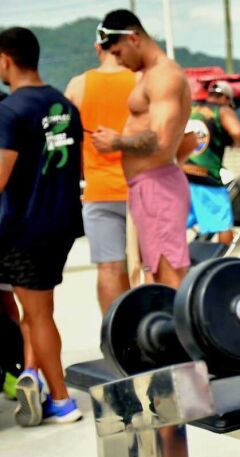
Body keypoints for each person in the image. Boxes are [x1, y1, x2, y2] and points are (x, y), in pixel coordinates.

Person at [0, 27, 84, 425]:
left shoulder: (12, 110)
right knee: (38, 310)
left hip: (24, 228)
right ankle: (32, 374)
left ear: (5, 60)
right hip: (61, 223)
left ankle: (62, 400)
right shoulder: (65, 105)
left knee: (38, 314)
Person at [90, 9, 191, 288]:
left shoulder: (163, 75)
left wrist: (116, 142)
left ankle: (179, 332)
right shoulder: (148, 75)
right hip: (145, 187)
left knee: (168, 275)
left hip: (158, 186)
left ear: (134, 38)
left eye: (119, 53)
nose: (119, 61)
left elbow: (161, 138)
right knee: (155, 274)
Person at [65, 34, 136, 314]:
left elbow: (67, 140)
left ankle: (114, 335)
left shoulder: (78, 85)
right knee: (146, 266)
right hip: (138, 187)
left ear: (98, 47)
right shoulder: (139, 80)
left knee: (109, 268)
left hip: (99, 190)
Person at [182, 80, 240, 245]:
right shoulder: (222, 110)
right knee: (223, 223)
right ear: (225, 97)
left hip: (182, 175)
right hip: (206, 176)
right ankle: (223, 265)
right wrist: (236, 145)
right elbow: (237, 132)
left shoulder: (192, 109)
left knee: (178, 225)